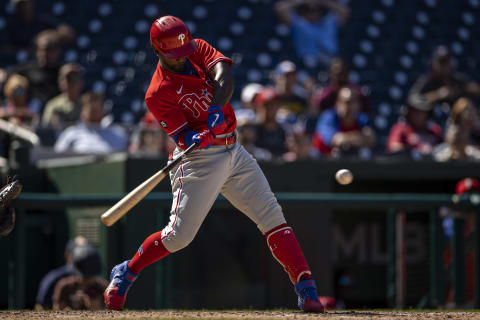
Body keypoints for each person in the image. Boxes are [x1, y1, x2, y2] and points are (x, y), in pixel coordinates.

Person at [104, 15, 325, 313]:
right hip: (199, 160)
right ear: (158, 51)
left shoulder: (194, 47)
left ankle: (306, 289)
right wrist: (197, 135)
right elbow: (181, 135)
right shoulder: (157, 92)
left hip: (234, 148)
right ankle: (127, 271)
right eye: (175, 56)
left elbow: (224, 76)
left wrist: (216, 111)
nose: (184, 59)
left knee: (272, 216)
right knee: (179, 237)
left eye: (184, 52)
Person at [408, 45, 480, 117]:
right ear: (434, 63)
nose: (445, 66)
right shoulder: (427, 80)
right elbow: (413, 99)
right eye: (442, 62)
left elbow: (474, 89)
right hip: (432, 118)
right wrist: (438, 95)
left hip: (455, 119)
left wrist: (462, 89)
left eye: (447, 61)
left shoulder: (456, 78)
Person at [274, 0, 350, 65]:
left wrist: (322, 1)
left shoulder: (330, 22)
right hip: (304, 62)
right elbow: (280, 9)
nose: (312, 14)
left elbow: (345, 12)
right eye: (308, 10)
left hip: (330, 60)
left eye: (315, 10)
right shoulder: (299, 23)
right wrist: (302, 1)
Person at [54, 92, 128, 154]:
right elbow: (58, 158)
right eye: (89, 105)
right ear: (82, 111)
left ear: (103, 109)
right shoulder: (71, 133)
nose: (93, 109)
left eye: (96, 106)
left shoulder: (118, 133)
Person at [311, 87, 375, 157]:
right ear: (338, 103)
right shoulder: (328, 116)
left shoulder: (361, 119)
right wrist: (358, 137)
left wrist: (346, 138)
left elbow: (370, 139)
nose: (349, 106)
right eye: (346, 102)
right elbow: (336, 140)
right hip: (322, 161)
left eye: (353, 102)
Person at [35, 236, 87, 310]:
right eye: (77, 254)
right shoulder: (53, 278)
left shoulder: (94, 280)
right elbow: (39, 306)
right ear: (67, 255)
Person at [15, 29, 63, 108]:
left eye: (50, 49)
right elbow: (10, 79)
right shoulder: (26, 69)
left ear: (57, 51)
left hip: (57, 113)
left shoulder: (63, 72)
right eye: (43, 49)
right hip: (30, 112)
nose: (46, 53)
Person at [52, 244, 108, 310]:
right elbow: (56, 311)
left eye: (89, 277)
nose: (86, 280)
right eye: (84, 277)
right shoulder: (65, 286)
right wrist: (71, 307)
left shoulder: (104, 288)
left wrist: (97, 308)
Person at [432, 97, 480, 161]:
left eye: (471, 110)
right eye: (466, 110)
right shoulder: (453, 127)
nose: (470, 113)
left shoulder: (476, 127)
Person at [42, 63, 85, 129]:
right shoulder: (53, 105)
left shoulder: (87, 105)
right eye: (68, 79)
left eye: (75, 78)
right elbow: (47, 130)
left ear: (81, 82)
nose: (71, 83)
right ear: (60, 82)